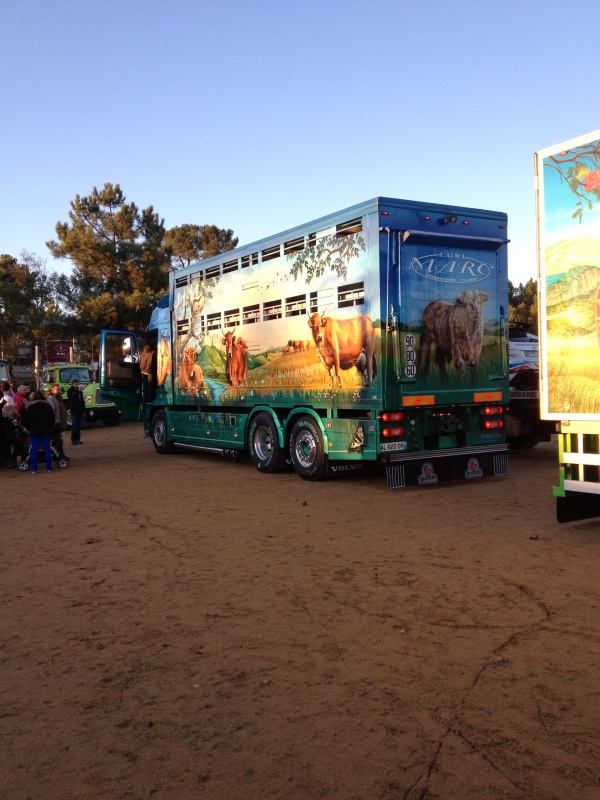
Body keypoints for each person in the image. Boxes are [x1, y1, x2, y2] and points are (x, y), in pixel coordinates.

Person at [22, 390, 55, 473]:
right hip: (46, 430)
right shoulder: (48, 406)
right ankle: (49, 467)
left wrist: (30, 428)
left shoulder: (31, 407)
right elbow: (52, 419)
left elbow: (26, 420)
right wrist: (49, 426)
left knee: (34, 449)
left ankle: (33, 468)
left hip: (34, 430)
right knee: (47, 449)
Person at [47, 383, 69, 459]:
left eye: (59, 389)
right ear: (52, 390)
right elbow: (52, 411)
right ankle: (57, 455)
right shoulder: (51, 399)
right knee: (57, 440)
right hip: (56, 424)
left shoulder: (59, 398)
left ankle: (60, 454)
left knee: (60, 440)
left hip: (60, 423)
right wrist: (55, 422)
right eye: (57, 389)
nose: (59, 390)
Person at [67, 379, 85, 445]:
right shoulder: (70, 391)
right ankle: (73, 440)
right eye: (75, 384)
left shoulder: (79, 392)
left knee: (79, 425)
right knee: (74, 425)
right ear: (73, 384)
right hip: (73, 409)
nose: (76, 385)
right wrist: (78, 391)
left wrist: (83, 410)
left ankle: (77, 439)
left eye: (77, 384)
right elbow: (71, 397)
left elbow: (82, 401)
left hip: (79, 410)